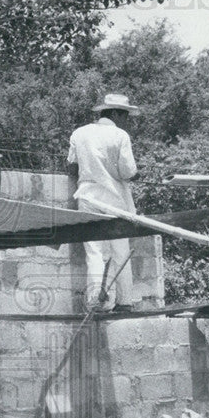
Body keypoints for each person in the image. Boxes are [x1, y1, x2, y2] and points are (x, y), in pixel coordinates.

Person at [67, 93, 140, 312]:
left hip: (88, 198)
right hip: (114, 200)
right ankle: (124, 302)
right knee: (120, 250)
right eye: (125, 115)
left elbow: (71, 167)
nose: (127, 120)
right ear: (116, 113)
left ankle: (96, 302)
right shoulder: (120, 135)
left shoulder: (79, 133)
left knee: (95, 252)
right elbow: (128, 172)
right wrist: (136, 175)